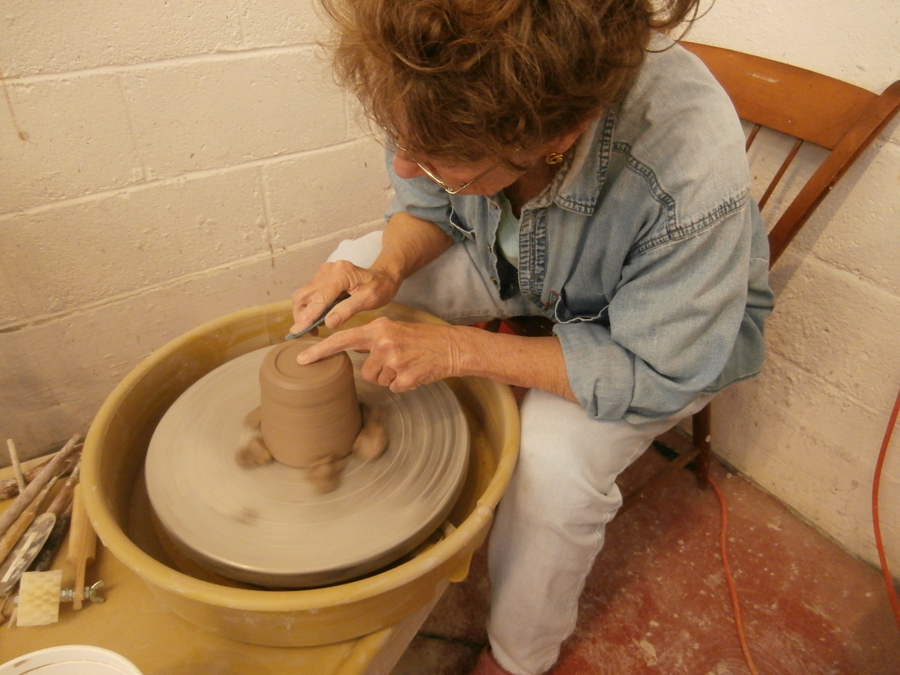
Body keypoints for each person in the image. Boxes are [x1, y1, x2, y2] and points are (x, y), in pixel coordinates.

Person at [289, 1, 774, 673]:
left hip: (649, 333)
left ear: (561, 133)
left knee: (550, 464)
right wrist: (384, 269)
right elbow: (426, 207)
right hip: (520, 264)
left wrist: (462, 350)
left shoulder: (689, 170)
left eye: (440, 160)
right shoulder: (433, 87)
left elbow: (661, 367)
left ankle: (521, 655)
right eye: (404, 143)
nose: (402, 165)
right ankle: (366, 497)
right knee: (351, 289)